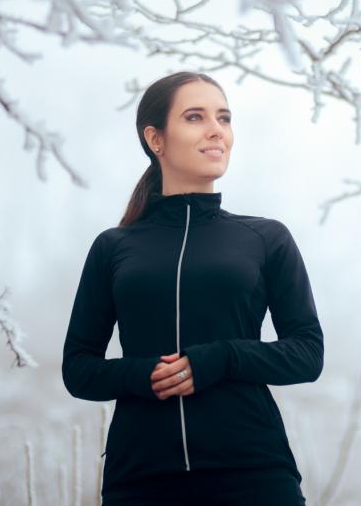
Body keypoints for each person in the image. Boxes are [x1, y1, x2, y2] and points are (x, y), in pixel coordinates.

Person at [61, 71, 324, 505]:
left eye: (223, 117)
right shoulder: (114, 247)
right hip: (141, 478)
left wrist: (221, 358)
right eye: (195, 117)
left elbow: (307, 354)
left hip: (253, 475)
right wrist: (144, 376)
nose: (215, 130)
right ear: (156, 139)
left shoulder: (265, 238)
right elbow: (78, 368)